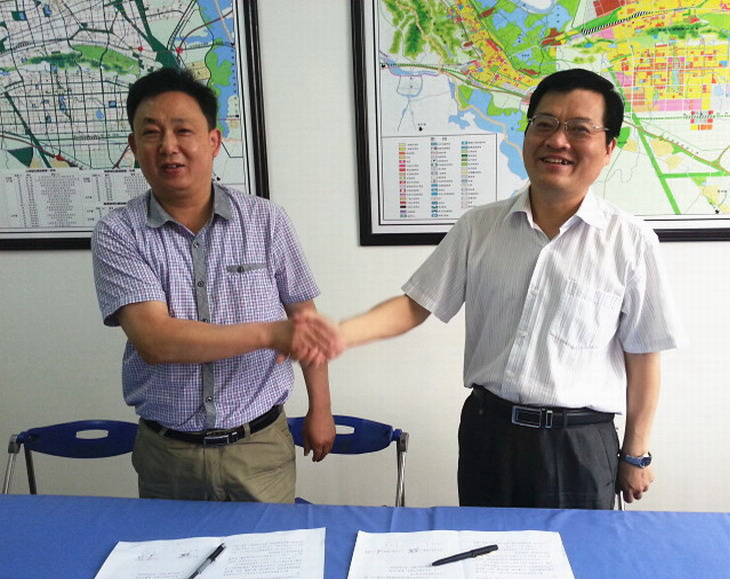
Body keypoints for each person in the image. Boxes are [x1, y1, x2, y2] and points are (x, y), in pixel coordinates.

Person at [297, 68, 683, 509]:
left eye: (579, 129)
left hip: (578, 444)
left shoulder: (630, 242)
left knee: (577, 553)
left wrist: (636, 452)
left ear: (609, 147)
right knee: (481, 549)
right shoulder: (479, 227)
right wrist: (339, 334)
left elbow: (643, 355)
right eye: (545, 124)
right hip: (489, 433)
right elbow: (415, 305)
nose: (558, 140)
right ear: (528, 133)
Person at [91, 67, 339, 502]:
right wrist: (270, 333)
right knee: (169, 549)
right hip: (167, 454)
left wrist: (321, 408)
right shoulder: (118, 233)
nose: (168, 146)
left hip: (259, 445)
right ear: (133, 147)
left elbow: (304, 317)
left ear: (213, 141)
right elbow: (155, 341)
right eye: (151, 133)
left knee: (270, 548)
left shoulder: (266, 220)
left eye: (183, 130)